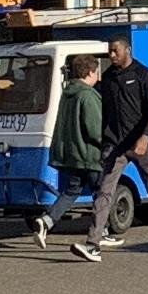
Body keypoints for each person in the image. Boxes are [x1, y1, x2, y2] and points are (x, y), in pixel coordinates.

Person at [93, 29, 148, 255]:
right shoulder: (109, 77)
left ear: (127, 50)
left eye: (115, 51)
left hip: (141, 144)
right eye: (109, 51)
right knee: (104, 190)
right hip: (115, 145)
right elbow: (105, 111)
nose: (111, 55)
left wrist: (145, 137)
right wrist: (104, 142)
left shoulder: (144, 75)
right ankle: (92, 243)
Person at [47, 51, 113, 258]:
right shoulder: (88, 95)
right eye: (96, 72)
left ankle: (46, 220)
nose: (99, 77)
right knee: (102, 192)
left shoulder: (68, 94)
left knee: (71, 191)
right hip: (90, 156)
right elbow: (94, 128)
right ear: (90, 72)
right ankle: (99, 234)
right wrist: (108, 143)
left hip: (72, 154)